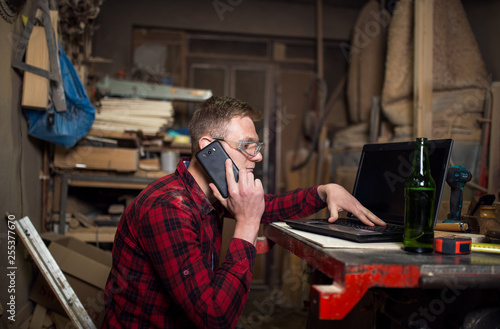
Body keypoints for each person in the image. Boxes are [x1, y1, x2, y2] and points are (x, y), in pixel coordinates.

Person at [103, 96, 385, 329]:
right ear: (208, 148)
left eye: (257, 147)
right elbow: (214, 318)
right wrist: (247, 224)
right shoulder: (168, 207)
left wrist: (324, 191)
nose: (258, 156)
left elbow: (268, 206)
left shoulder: (207, 193)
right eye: (247, 146)